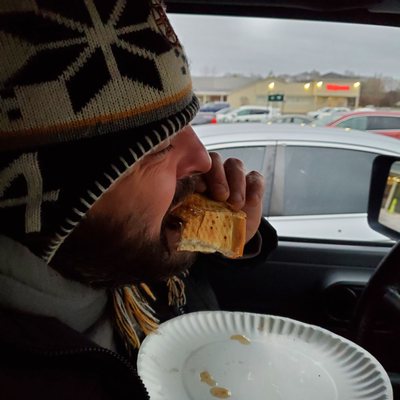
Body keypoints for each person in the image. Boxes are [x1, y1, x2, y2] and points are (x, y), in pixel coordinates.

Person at [0, 1, 276, 398]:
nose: (202, 159)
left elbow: (180, 287)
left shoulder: (108, 254)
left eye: (186, 126)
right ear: (53, 195)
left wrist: (228, 242)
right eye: (158, 147)